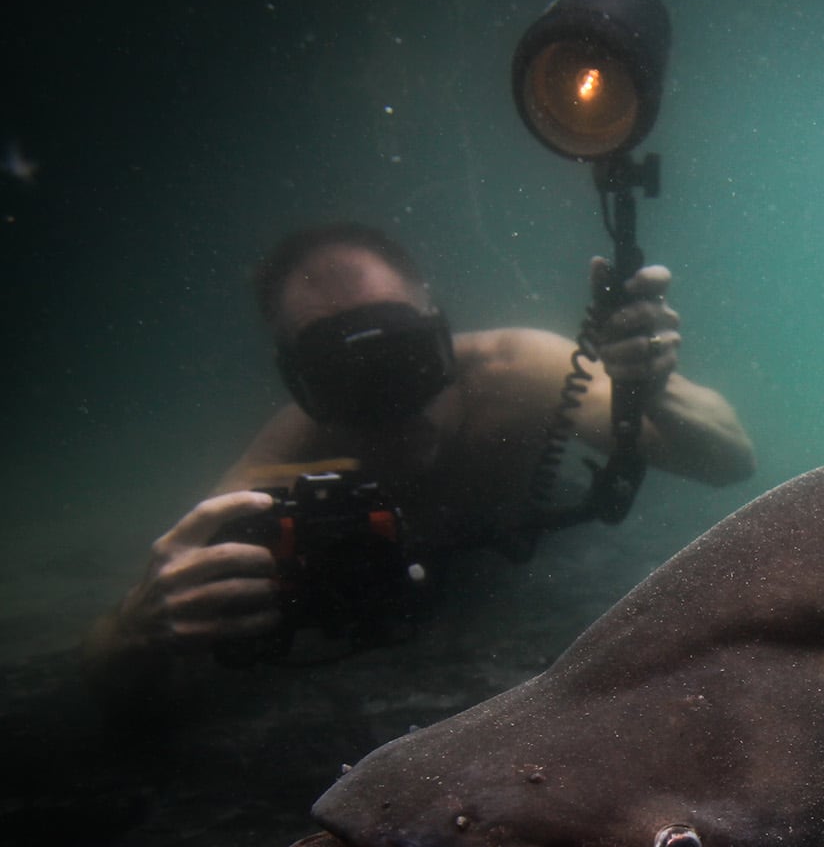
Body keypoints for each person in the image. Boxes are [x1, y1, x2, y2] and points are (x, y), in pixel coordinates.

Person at [83, 222, 754, 699]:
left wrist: (653, 387)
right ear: (300, 386)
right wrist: (135, 626)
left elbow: (728, 459)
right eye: (344, 374)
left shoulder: (522, 371)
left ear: (441, 332)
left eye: (401, 356)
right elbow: (125, 649)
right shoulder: (291, 449)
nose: (388, 401)